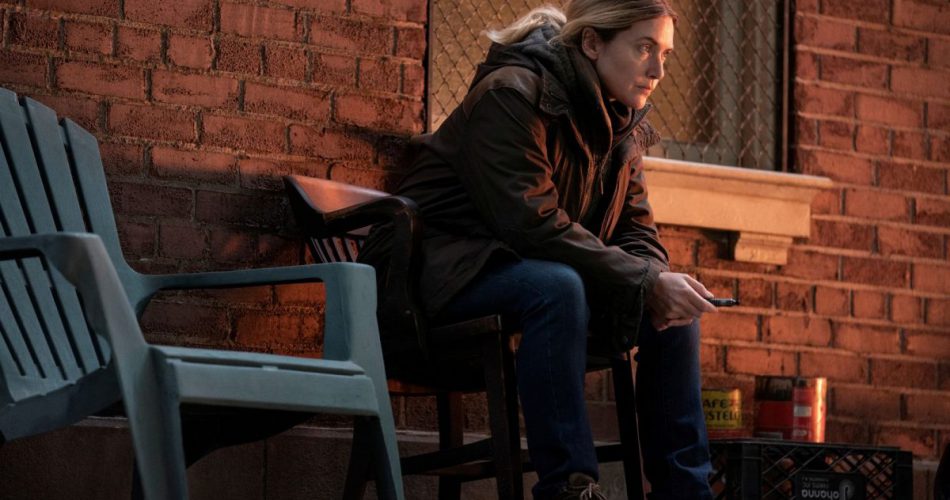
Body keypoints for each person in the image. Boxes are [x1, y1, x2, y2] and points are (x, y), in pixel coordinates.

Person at [359, 0, 716, 498]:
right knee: (559, 286)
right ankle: (568, 487)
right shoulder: (511, 94)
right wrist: (645, 280)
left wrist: (655, 282)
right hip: (431, 280)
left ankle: (686, 490)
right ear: (592, 43)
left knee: (675, 310)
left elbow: (637, 232)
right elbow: (531, 223)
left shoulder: (621, 124)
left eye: (666, 54)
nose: (657, 70)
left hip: (519, 275)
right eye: (644, 48)